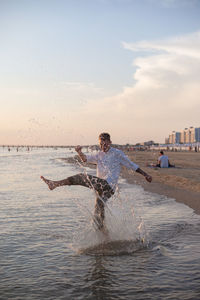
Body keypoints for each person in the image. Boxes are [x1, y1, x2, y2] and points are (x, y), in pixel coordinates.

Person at [41, 133, 152, 233]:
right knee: (98, 211)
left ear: (110, 142)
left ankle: (54, 184)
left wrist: (145, 174)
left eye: (105, 143)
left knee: (81, 177)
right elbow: (85, 159)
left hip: (108, 186)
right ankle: (104, 234)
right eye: (101, 144)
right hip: (101, 187)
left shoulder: (117, 153)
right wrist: (79, 152)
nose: (103, 146)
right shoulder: (99, 154)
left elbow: (131, 165)